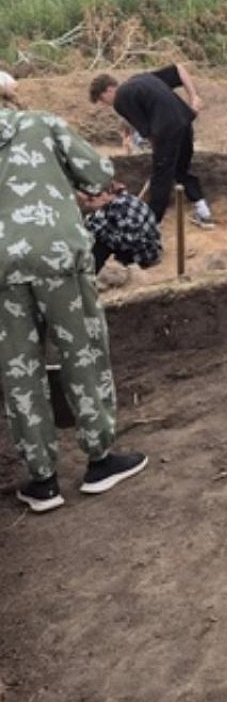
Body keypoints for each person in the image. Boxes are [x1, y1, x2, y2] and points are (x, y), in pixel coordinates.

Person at [1, 100, 148, 513]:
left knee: (18, 369)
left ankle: (42, 480)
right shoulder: (40, 122)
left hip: (1, 269)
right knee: (82, 350)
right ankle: (100, 460)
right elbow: (98, 173)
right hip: (57, 255)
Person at [89, 64, 215, 230]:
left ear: (108, 90)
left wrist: (156, 151)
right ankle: (203, 212)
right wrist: (194, 97)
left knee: (161, 177)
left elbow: (147, 131)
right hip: (185, 123)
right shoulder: (143, 78)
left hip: (166, 131)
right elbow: (178, 69)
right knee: (181, 169)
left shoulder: (120, 100)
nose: (105, 104)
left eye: (102, 100)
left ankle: (153, 224)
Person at [79, 184, 163, 274]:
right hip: (128, 244)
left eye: (90, 200)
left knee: (100, 244)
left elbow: (127, 241)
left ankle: (90, 274)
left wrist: (96, 231)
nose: (87, 204)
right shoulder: (112, 203)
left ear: (104, 194)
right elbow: (94, 222)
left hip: (143, 254)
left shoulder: (123, 207)